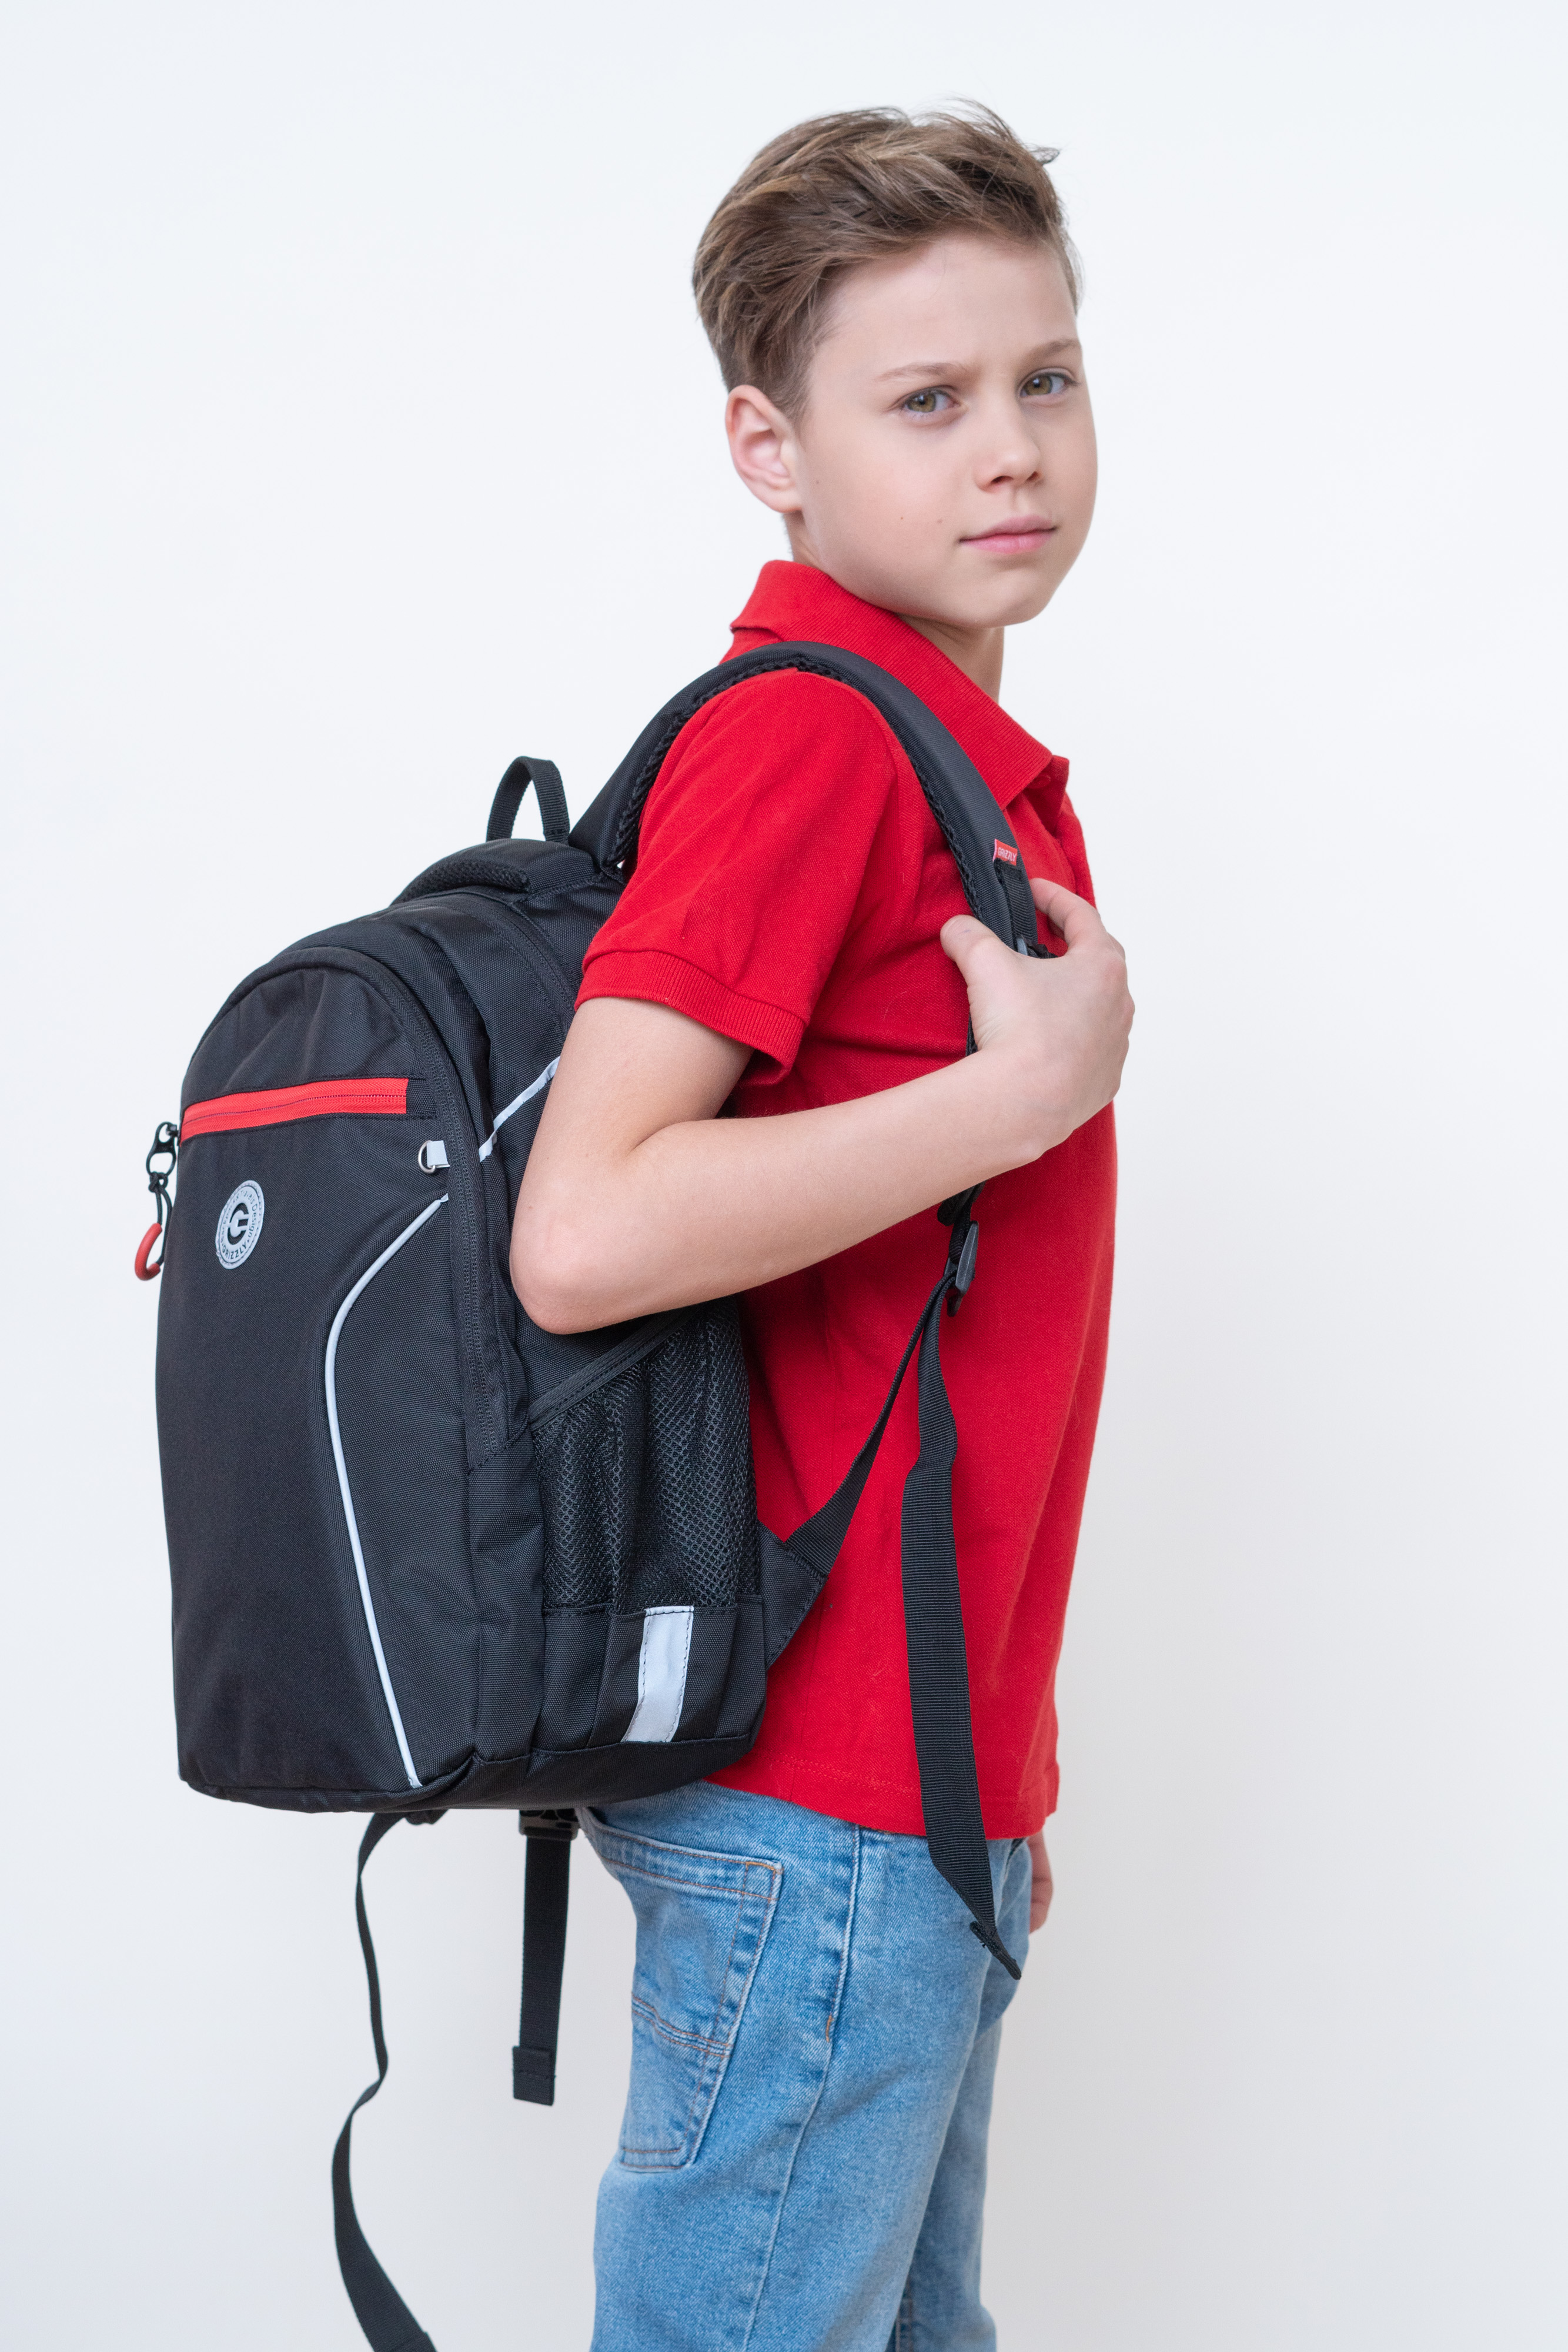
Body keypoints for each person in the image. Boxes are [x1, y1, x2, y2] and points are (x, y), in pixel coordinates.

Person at [511, 105, 1132, 2352]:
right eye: (927, 400)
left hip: (909, 1794)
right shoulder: (815, 747)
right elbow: (586, 1230)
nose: (1012, 449)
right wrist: (1021, 1093)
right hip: (822, 1803)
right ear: (767, 448)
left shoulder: (943, 755)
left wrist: (993, 1767)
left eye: (1044, 378)